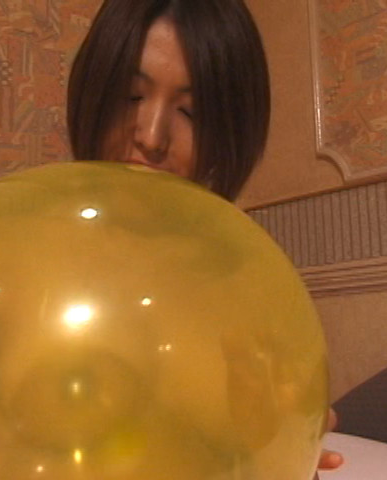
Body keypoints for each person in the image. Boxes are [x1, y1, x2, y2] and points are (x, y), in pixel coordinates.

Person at [67, 0, 343, 475]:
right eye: (131, 96)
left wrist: (283, 444)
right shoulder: (10, 263)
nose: (152, 137)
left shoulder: (246, 288)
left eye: (190, 112)